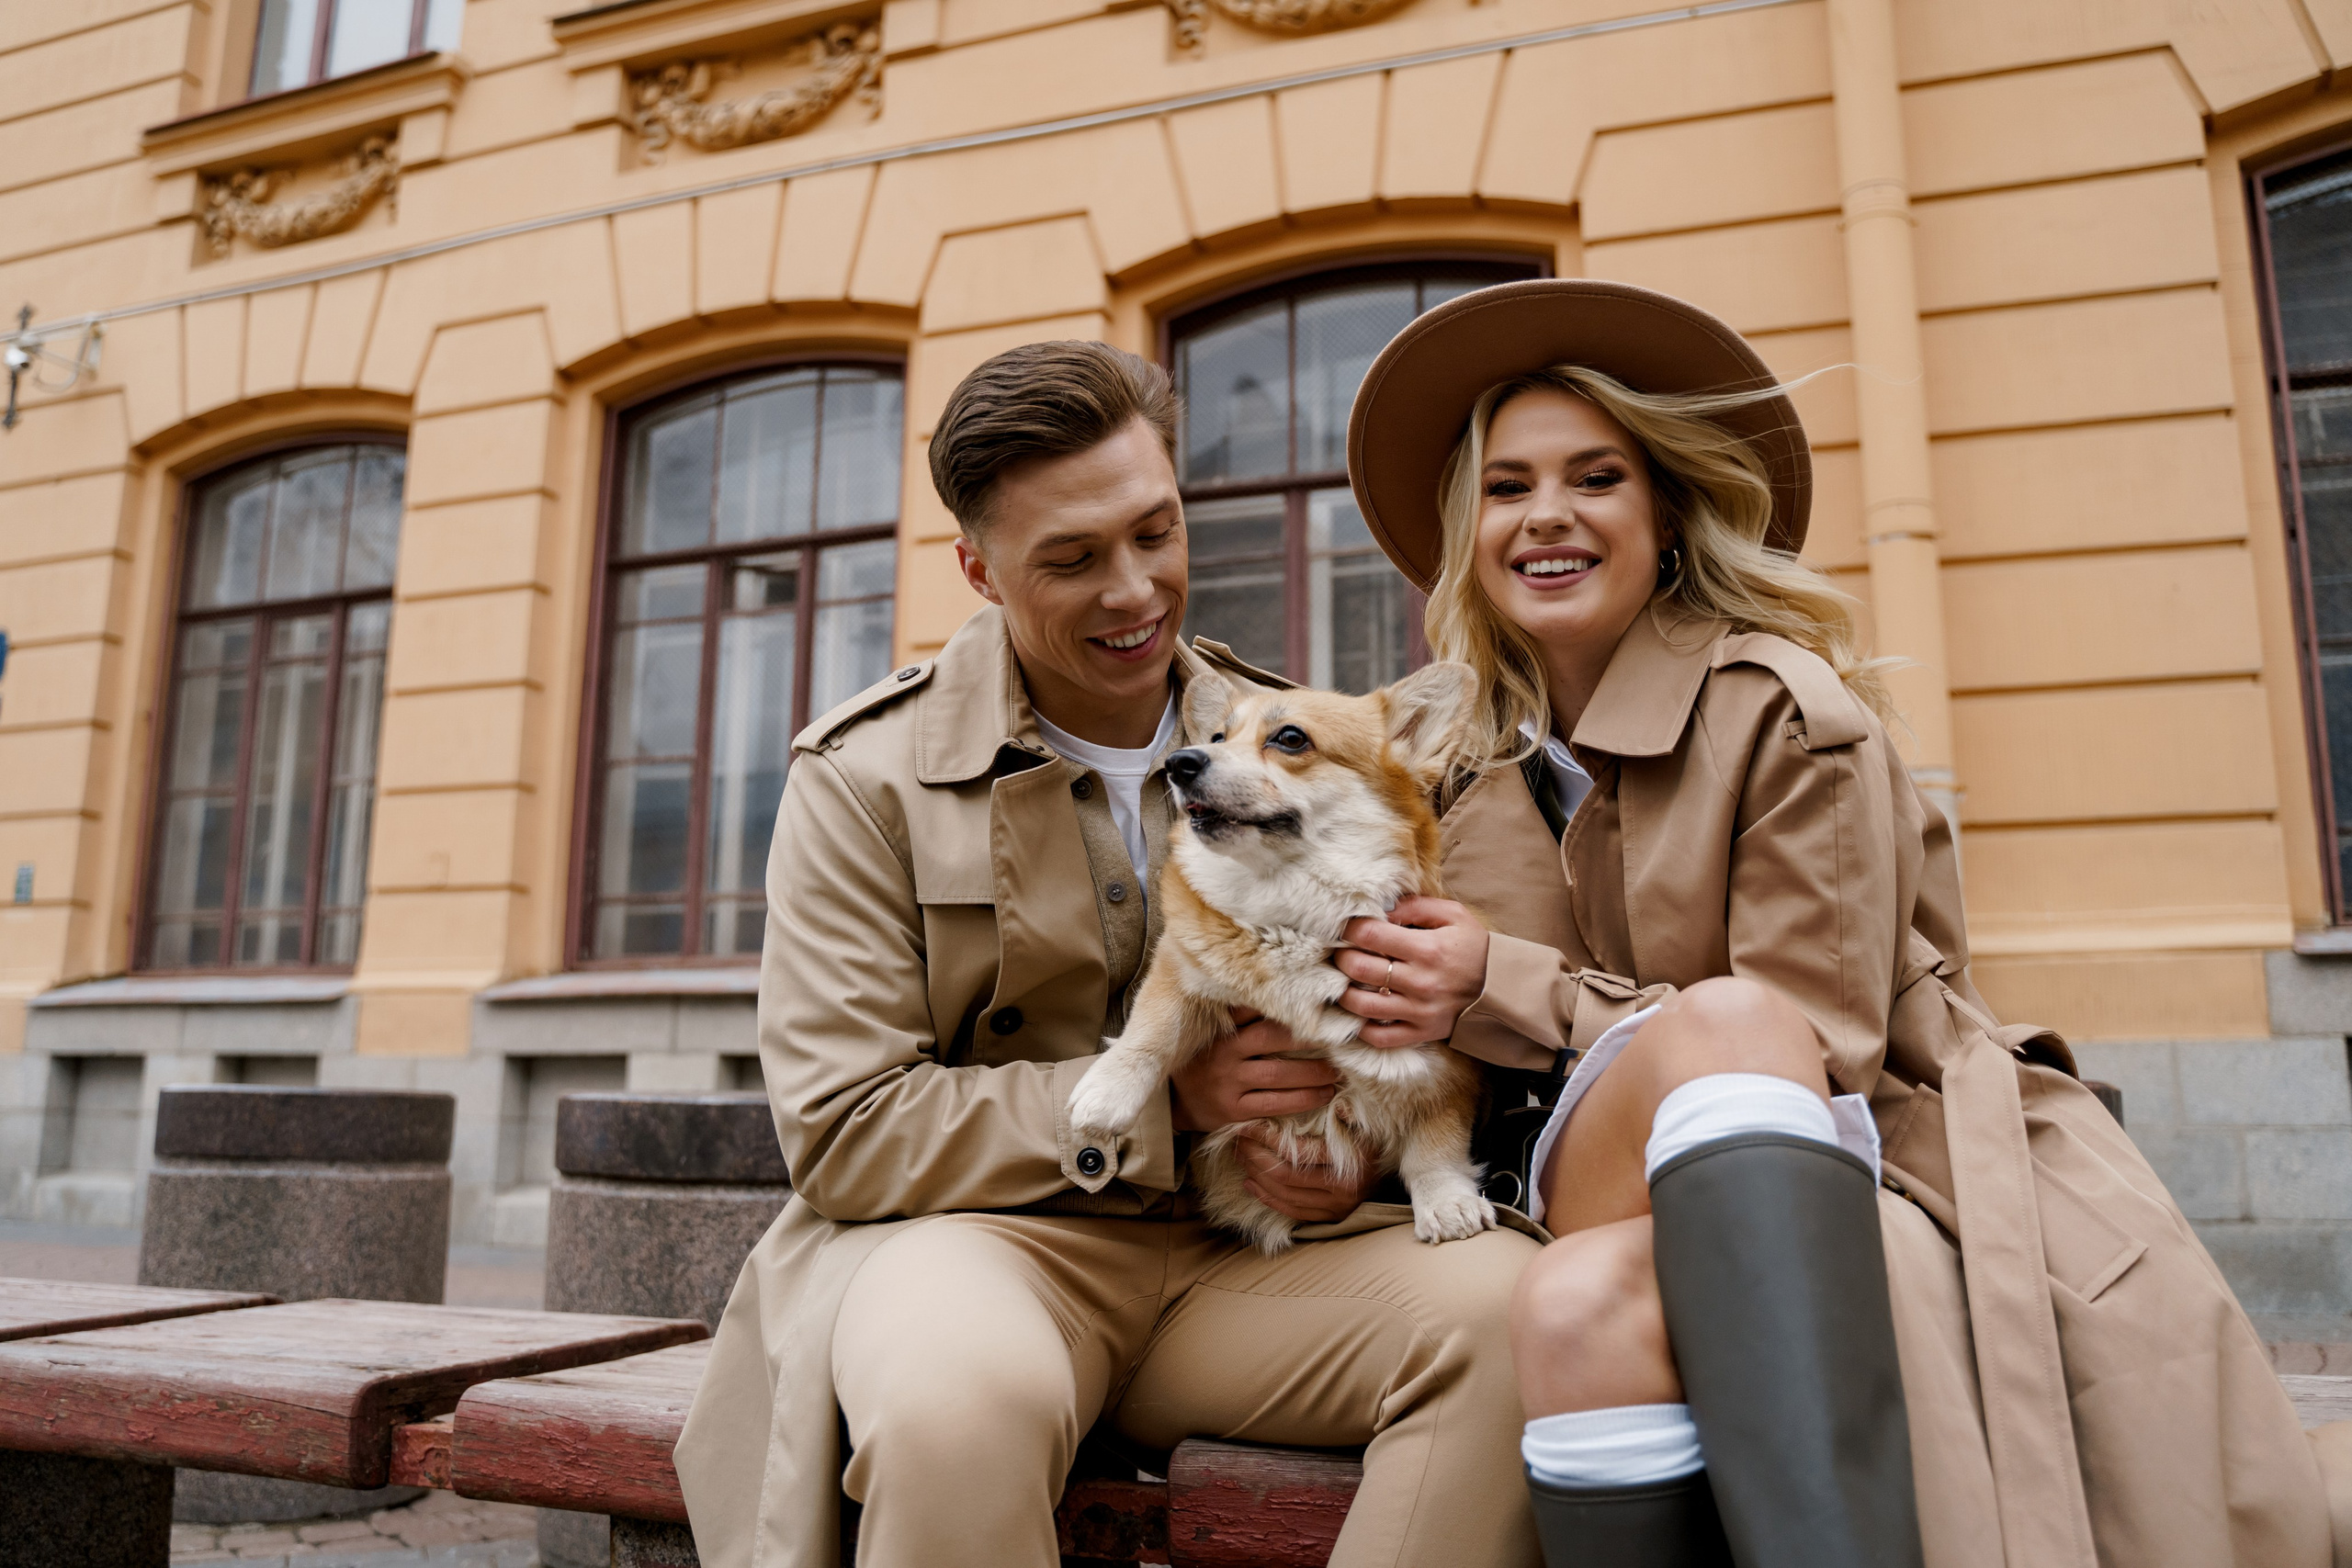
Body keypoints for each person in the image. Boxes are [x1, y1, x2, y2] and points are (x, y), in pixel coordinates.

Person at [1326, 278, 2335, 1568]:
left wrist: (1499, 981)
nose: (1549, 517)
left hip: (1827, 1144)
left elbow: (1818, 1046)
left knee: (1591, 1293)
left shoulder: (1785, 713)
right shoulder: (1423, 743)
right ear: (1471, 527)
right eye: (1511, 486)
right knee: (1657, 1128)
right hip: (1514, 1165)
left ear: (1670, 512)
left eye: (1597, 478)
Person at [672, 340, 1546, 1568]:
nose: (1135, 590)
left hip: (1249, 1258)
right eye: (1072, 561)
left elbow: (1417, 1025)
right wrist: (1169, 1111)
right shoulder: (864, 777)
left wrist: (1351, 1162)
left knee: (1525, 1321)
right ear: (978, 569)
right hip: (982, 1247)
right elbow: (845, 1127)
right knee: (952, 1411)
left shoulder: (1310, 745)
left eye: (1156, 532)